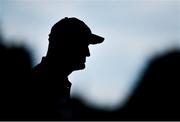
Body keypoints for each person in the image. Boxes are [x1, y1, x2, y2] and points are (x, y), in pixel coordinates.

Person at [31, 17, 104, 120]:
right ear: (64, 44)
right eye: (82, 45)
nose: (88, 53)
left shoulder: (56, 83)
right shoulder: (35, 84)